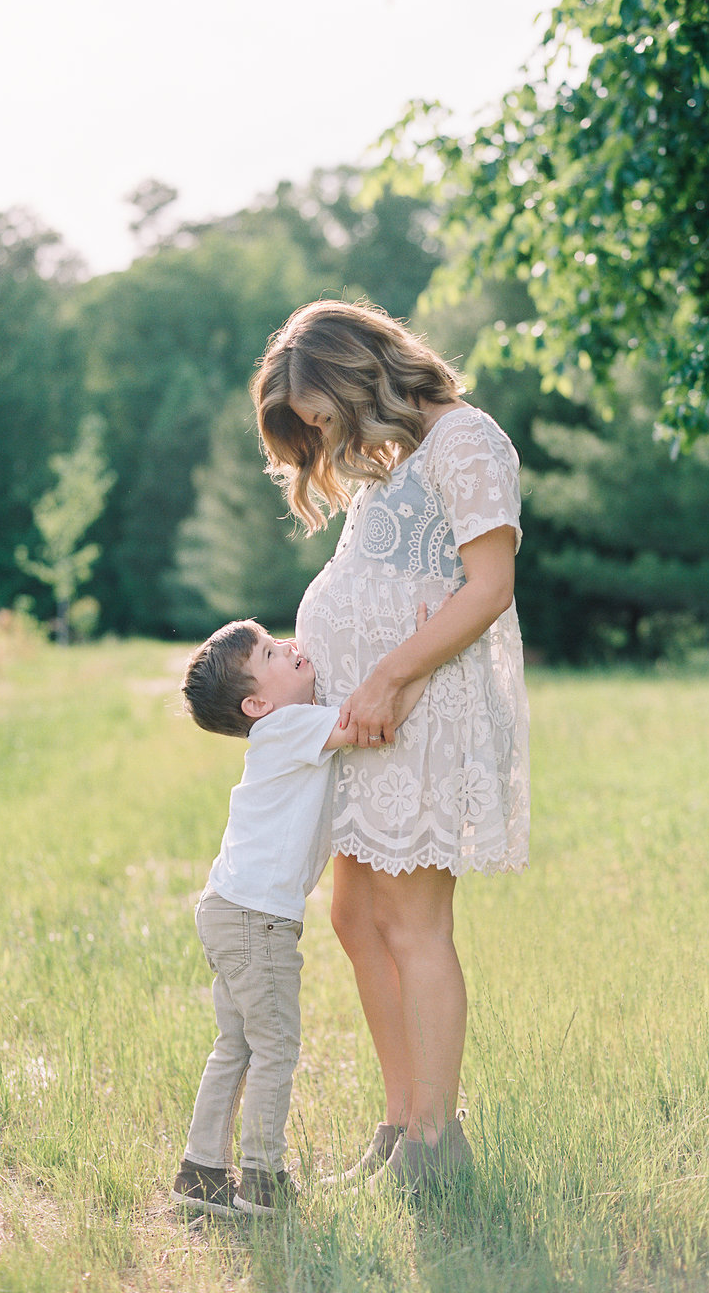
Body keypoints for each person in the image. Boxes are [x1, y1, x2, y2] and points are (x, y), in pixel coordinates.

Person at [251, 299, 530, 1192]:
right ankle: (401, 1120)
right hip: (360, 722)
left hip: (415, 712)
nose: (325, 440)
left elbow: (485, 589)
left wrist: (383, 679)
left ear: (359, 371)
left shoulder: (466, 439)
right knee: (352, 917)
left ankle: (435, 1146)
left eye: (324, 417)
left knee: (414, 923)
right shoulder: (392, 460)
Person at [171, 613, 430, 1217]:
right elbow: (379, 723)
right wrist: (420, 661)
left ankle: (202, 1172)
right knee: (275, 1047)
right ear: (260, 705)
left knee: (235, 1045)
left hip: (229, 908)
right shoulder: (290, 729)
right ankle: (262, 1179)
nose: (287, 645)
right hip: (256, 918)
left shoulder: (281, 730)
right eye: (268, 652)